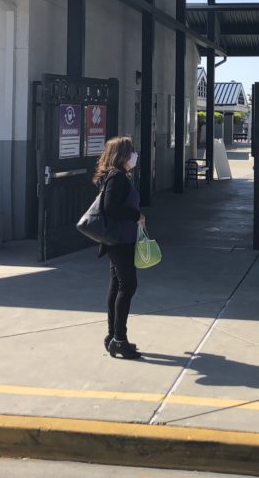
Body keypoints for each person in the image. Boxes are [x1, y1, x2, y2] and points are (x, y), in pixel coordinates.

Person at [92, 135, 146, 360]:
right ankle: (119, 339)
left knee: (117, 284)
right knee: (127, 285)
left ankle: (113, 336)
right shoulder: (116, 177)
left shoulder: (119, 176)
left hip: (120, 239)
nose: (134, 155)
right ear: (122, 155)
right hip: (120, 240)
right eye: (131, 151)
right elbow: (111, 207)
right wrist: (136, 215)